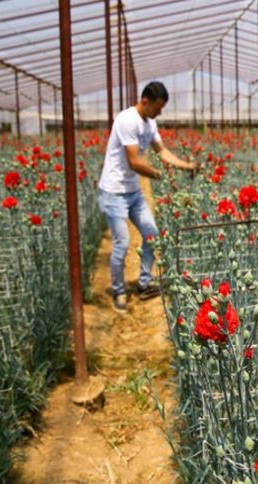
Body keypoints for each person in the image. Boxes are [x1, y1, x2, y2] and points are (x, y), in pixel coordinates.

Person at [97, 81, 196, 313]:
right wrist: (157, 174)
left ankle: (144, 283)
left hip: (132, 191)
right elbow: (133, 161)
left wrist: (185, 165)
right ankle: (119, 291)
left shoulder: (150, 122)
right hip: (114, 191)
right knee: (122, 243)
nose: (159, 112)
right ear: (145, 101)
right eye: (158, 107)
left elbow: (161, 152)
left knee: (152, 235)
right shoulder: (126, 120)